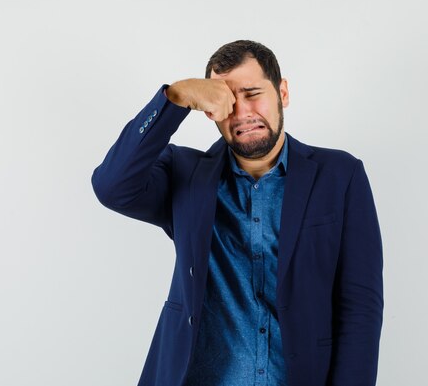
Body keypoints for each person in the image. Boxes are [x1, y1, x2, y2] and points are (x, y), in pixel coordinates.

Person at [91, 40, 384, 386]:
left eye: (252, 93)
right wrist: (175, 99)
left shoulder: (340, 175)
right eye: (227, 101)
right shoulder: (184, 174)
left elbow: (360, 308)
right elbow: (112, 186)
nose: (242, 113)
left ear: (283, 92)